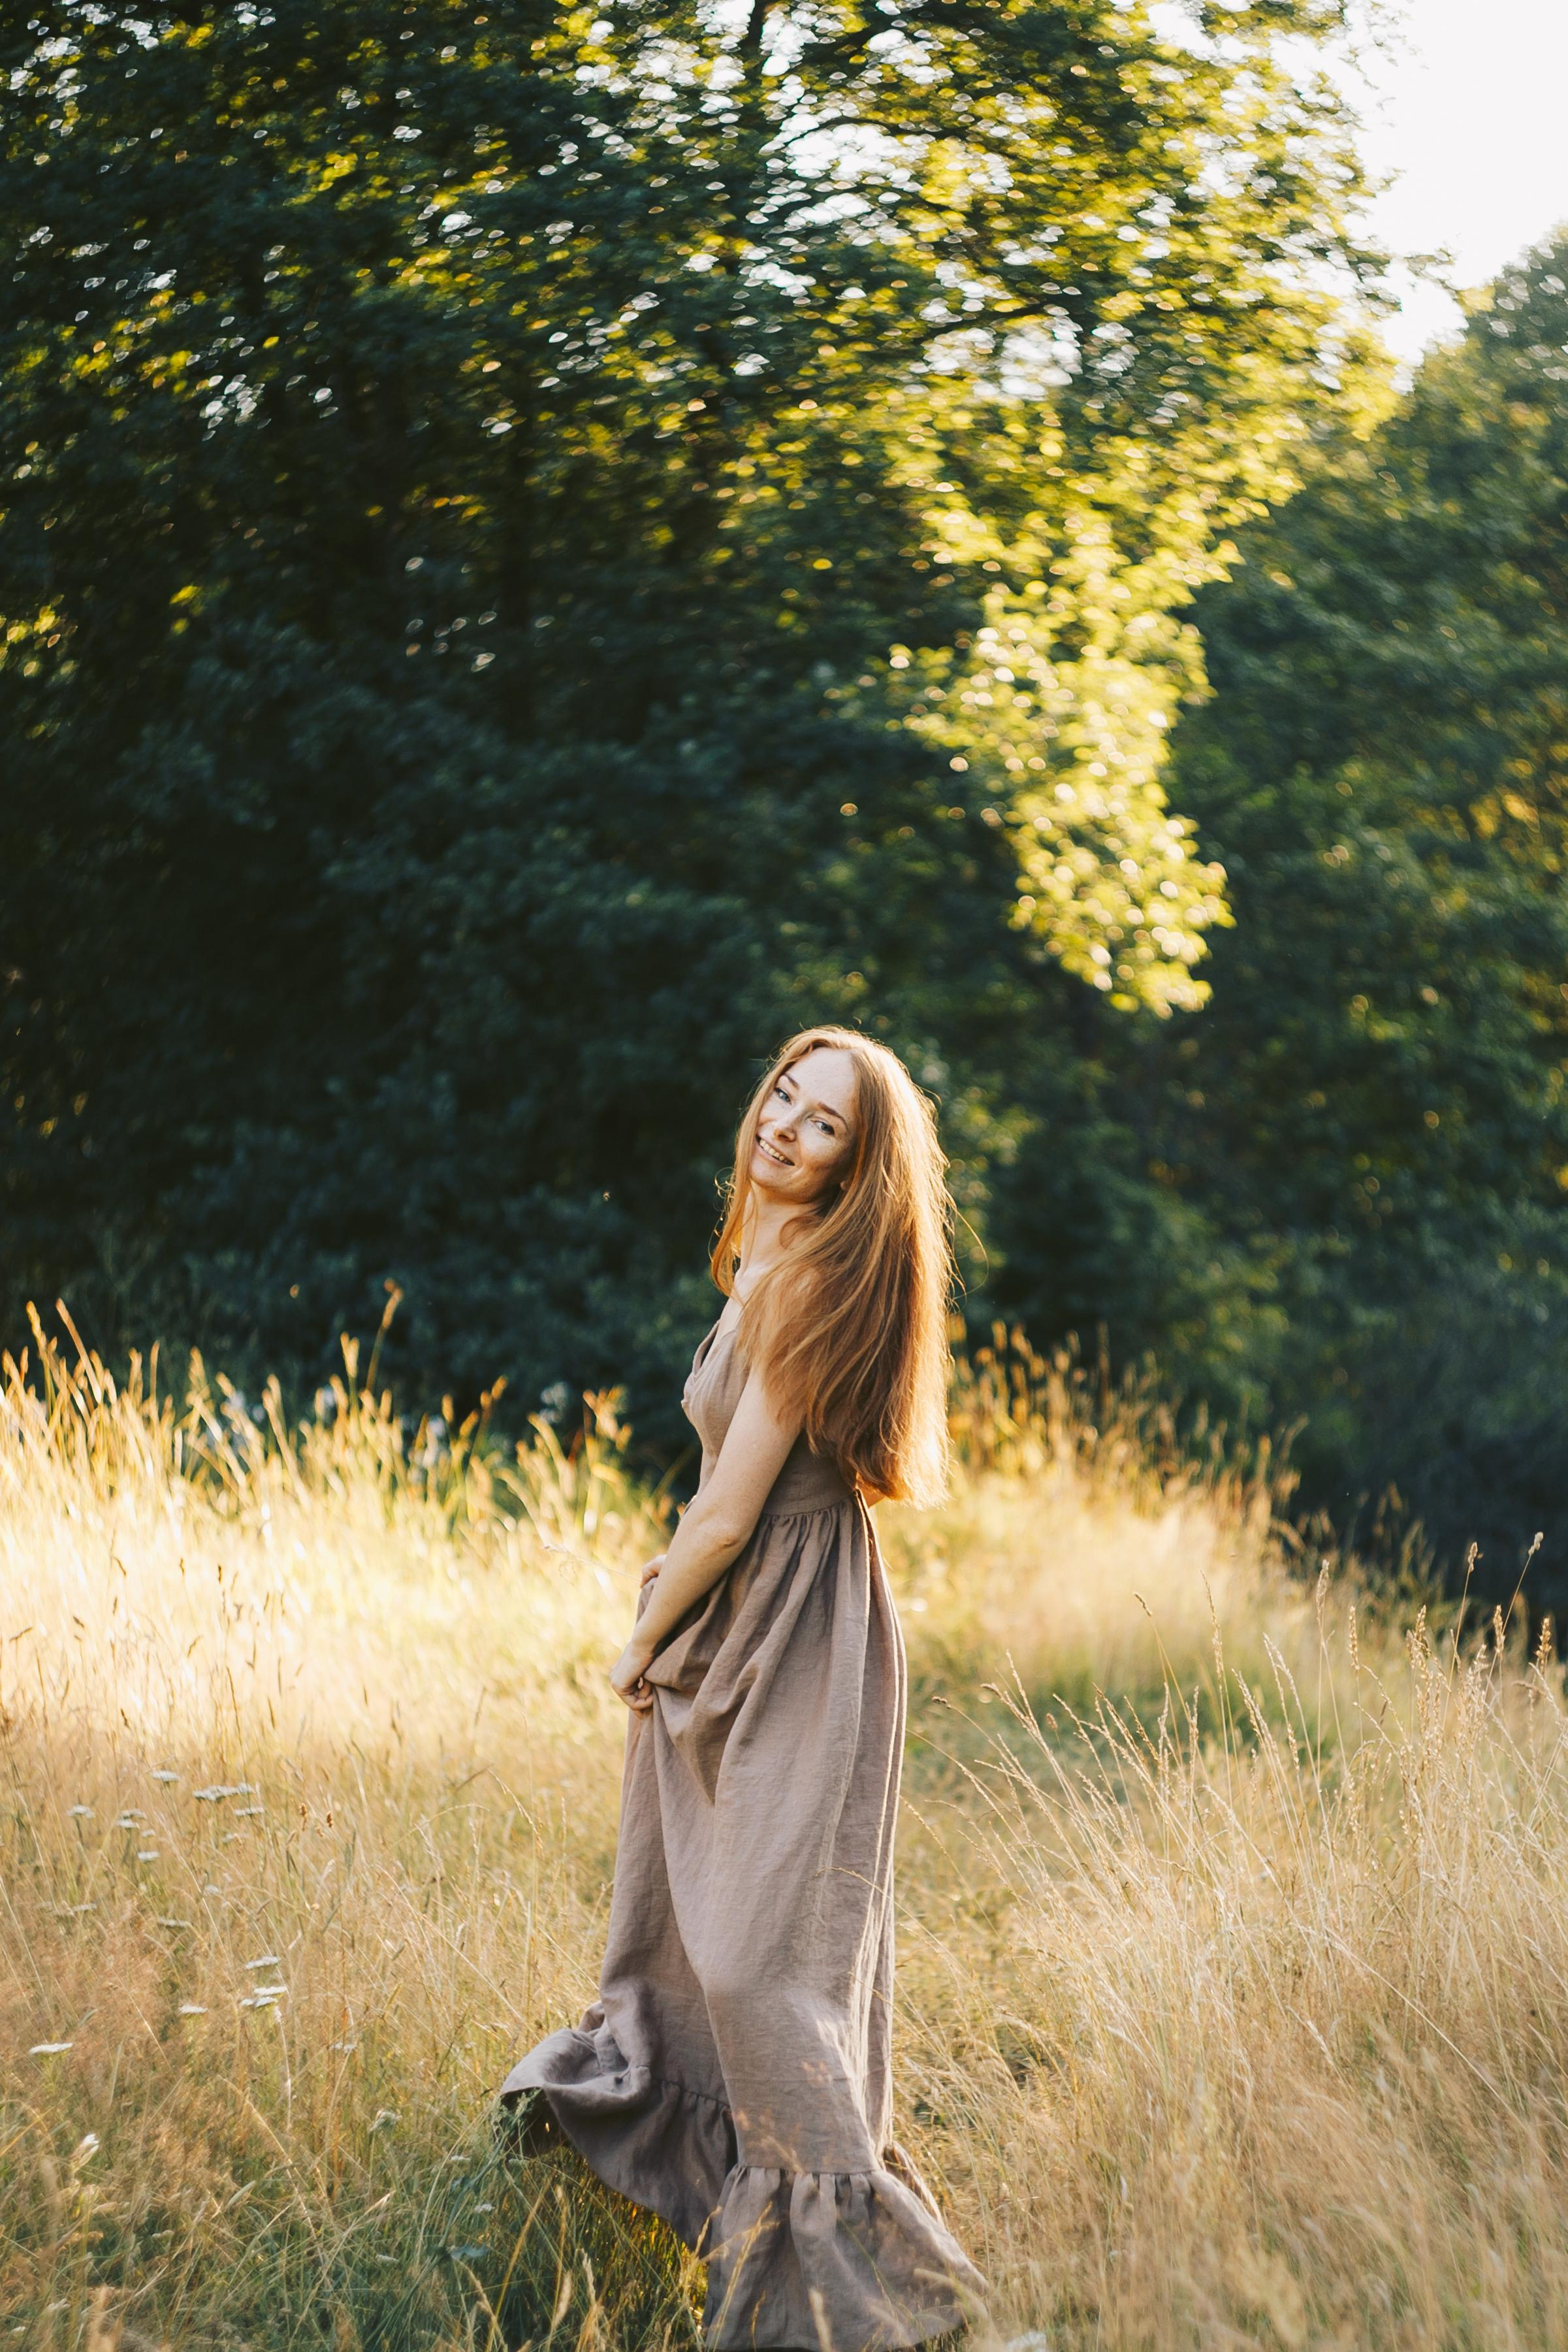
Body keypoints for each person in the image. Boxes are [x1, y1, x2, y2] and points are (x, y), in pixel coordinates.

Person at [498, 1026, 984, 2351]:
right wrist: (683, 1600)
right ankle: (781, 2265)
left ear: (853, 1165)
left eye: (821, 1122)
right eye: (783, 1093)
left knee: (763, 1959)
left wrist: (643, 1633)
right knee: (690, 1933)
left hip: (794, 1624)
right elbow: (724, 1501)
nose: (782, 1124)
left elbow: (731, 1511)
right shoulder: (759, 1259)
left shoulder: (807, 1279)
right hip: (753, 1612)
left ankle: (899, 2308)